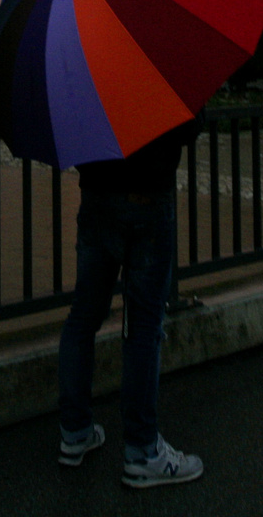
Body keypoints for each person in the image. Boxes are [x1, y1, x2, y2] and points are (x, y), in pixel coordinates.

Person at [56, 117, 204, 488]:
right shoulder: (159, 65)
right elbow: (188, 128)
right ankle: (142, 452)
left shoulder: (83, 71)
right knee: (143, 328)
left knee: (82, 319)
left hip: (96, 202)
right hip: (148, 202)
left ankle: (74, 433)